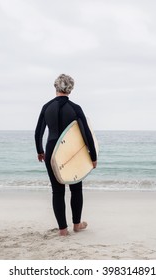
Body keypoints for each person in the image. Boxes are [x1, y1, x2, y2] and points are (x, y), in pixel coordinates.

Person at [35, 74, 97, 236]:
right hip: (71, 154)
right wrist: (93, 156)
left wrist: (40, 151)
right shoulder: (75, 108)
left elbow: (38, 133)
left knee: (57, 191)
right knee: (76, 188)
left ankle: (63, 230)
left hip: (52, 152)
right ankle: (77, 224)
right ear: (70, 88)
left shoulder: (46, 107)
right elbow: (86, 133)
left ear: (55, 87)